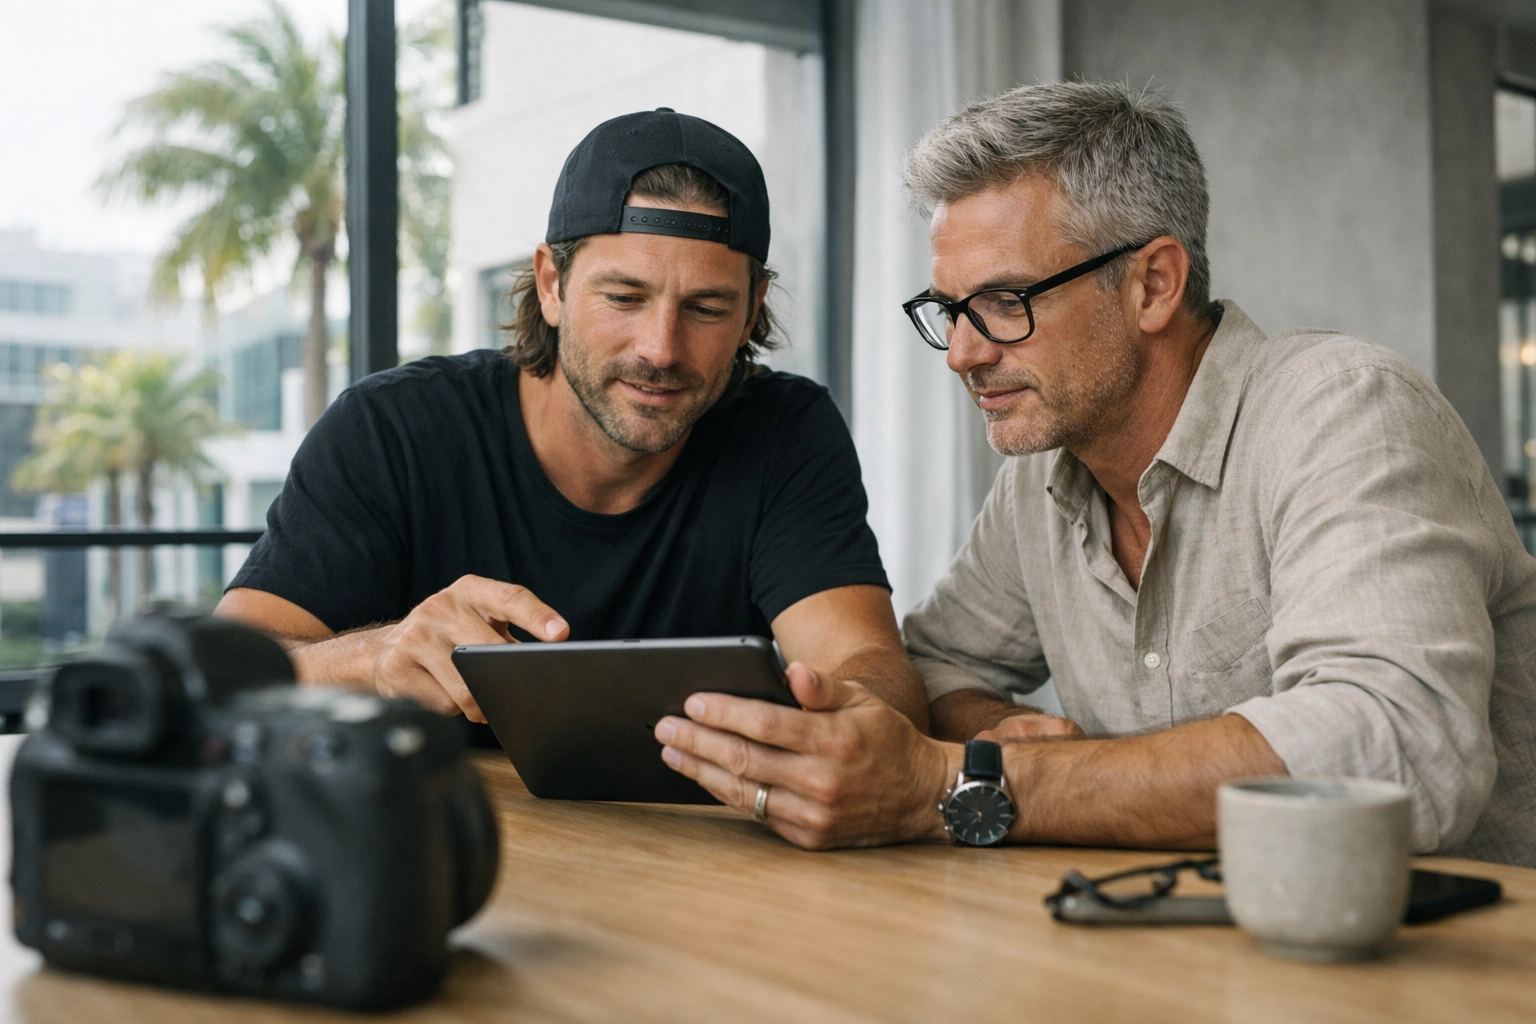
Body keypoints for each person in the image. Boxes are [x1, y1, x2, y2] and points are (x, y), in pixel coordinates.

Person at [653, 82, 1536, 867]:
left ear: (1153, 284)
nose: (961, 354)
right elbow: (933, 666)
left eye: (1005, 302)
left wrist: (970, 782)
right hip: (1180, 950)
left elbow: (1403, 749)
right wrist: (993, 738)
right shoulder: (1044, 478)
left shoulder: (1344, 413)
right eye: (949, 310)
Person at [216, 108, 928, 736]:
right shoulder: (392, 429)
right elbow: (220, 680)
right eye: (623, 297)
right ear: (552, 285)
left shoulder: (785, 431)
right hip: (440, 854)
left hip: (691, 870)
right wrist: (375, 657)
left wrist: (855, 723)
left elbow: (869, 666)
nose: (661, 348)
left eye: (707, 308)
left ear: (751, 308)